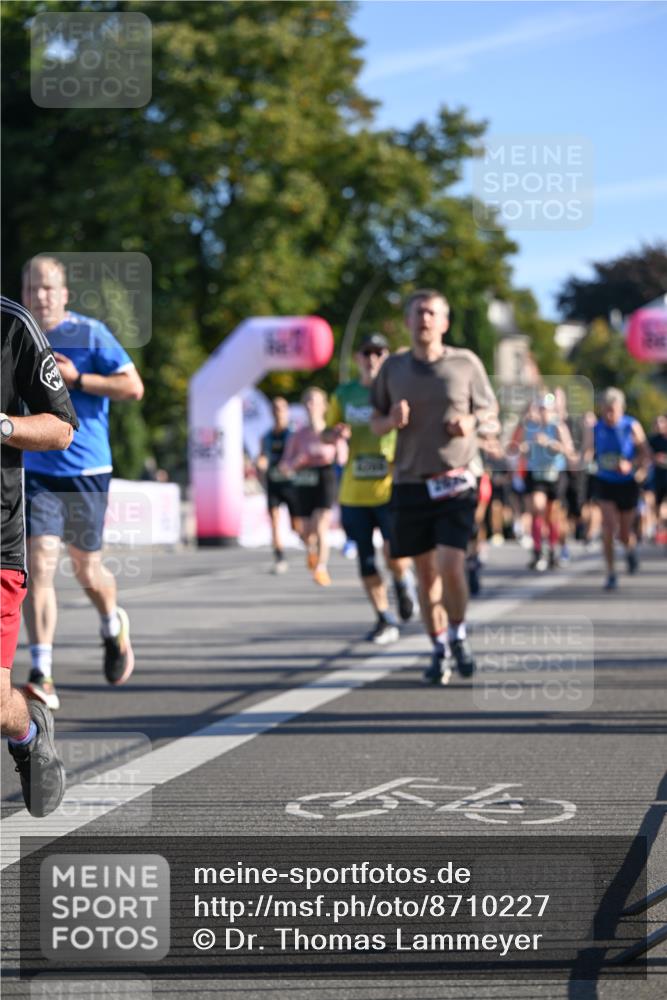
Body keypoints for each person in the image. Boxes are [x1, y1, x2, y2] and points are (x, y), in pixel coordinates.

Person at [21, 256, 144, 710]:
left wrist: (79, 379)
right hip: (36, 470)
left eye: (49, 287)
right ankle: (42, 672)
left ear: (65, 293)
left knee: (86, 569)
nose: (40, 296)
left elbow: (133, 387)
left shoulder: (90, 334)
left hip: (87, 470)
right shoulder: (17, 334)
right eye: (32, 288)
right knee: (39, 564)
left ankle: (112, 624)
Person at [370, 289, 499, 684]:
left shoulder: (465, 363)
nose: (424, 319)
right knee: (426, 576)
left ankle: (458, 633)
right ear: (407, 322)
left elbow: (491, 414)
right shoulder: (392, 369)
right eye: (418, 313)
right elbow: (374, 422)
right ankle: (439, 646)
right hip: (410, 482)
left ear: (444, 322)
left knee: (451, 565)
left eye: (431, 313)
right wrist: (391, 421)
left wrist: (471, 423)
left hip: (455, 481)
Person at [1, 295, 78, 816]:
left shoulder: (12, 324)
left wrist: (3, 426)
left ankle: (26, 729)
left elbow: (62, 428)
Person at [326, 333, 416, 644]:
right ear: (357, 358)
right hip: (354, 492)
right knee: (365, 559)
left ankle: (402, 581)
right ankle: (383, 617)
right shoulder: (344, 394)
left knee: (394, 554)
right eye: (367, 353)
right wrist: (334, 433)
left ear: (387, 357)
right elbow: (325, 433)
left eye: (379, 352)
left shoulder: (398, 391)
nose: (372, 358)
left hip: (390, 488)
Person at [582, 387, 650, 590]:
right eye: (606, 410)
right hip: (605, 481)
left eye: (613, 410)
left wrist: (632, 465)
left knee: (624, 533)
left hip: (627, 483)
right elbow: (587, 451)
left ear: (621, 408)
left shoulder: (631, 425)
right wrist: (580, 460)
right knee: (609, 527)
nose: (609, 415)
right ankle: (611, 572)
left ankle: (630, 550)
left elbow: (645, 453)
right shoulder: (596, 427)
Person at [280, 387, 339, 587]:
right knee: (305, 531)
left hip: (325, 477)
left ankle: (321, 568)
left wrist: (341, 443)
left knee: (321, 524)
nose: (310, 405)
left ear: (324, 406)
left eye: (314, 401)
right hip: (304, 480)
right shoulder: (298, 435)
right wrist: (296, 462)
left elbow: (343, 456)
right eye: (307, 401)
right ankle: (312, 550)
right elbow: (285, 464)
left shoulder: (331, 432)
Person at [511, 394, 574, 571]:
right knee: (537, 509)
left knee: (552, 515)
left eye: (546, 409)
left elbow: (568, 450)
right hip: (535, 473)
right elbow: (517, 447)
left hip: (555, 473)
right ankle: (538, 551)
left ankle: (553, 549)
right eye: (541, 409)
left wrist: (549, 443)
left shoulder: (558, 426)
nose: (543, 413)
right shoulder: (529, 426)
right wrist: (524, 449)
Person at [256, 396, 303, 574]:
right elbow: (262, 457)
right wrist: (260, 464)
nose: (278, 412)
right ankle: (279, 558)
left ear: (287, 411)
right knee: (274, 520)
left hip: (292, 485)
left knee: (297, 527)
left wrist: (291, 466)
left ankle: (311, 548)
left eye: (281, 408)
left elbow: (301, 456)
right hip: (274, 484)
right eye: (275, 409)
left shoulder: (294, 435)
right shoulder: (266, 436)